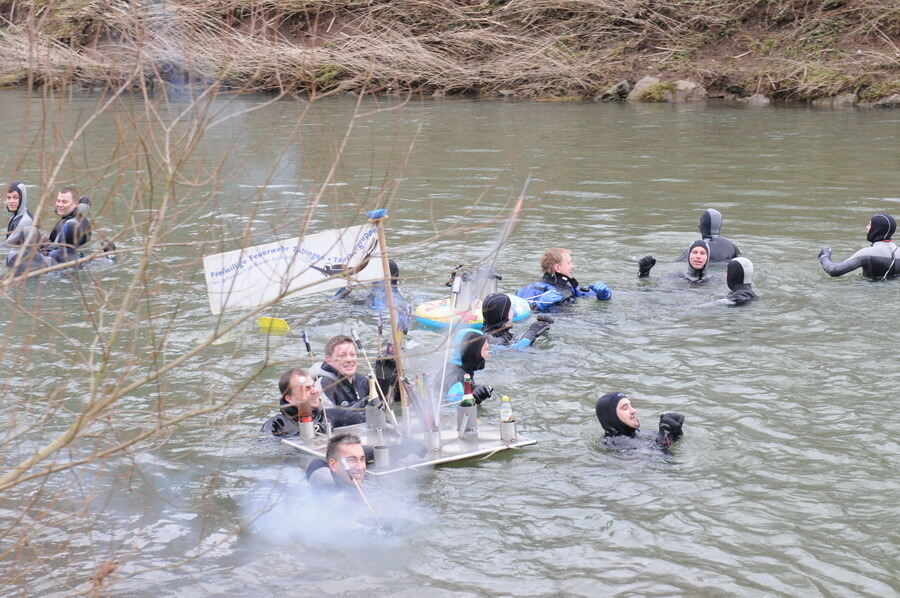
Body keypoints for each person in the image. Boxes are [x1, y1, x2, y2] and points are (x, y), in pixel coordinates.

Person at [261, 367, 365, 437]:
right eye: (306, 389)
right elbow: (268, 448)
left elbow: (364, 417)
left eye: (313, 385)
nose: (315, 391)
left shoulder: (329, 415)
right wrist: (310, 431)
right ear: (290, 399)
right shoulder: (276, 424)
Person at [515, 247, 611, 311]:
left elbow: (588, 295)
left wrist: (603, 295)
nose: (573, 267)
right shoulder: (534, 289)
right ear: (557, 268)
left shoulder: (568, 286)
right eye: (569, 263)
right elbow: (517, 311)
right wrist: (538, 307)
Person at [334, 259, 413, 333]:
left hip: (378, 325)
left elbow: (336, 300)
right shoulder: (400, 299)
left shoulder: (377, 297)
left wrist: (346, 289)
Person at [818, 213, 900, 280]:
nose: (867, 227)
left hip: (869, 294)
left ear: (876, 229)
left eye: (870, 224)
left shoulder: (866, 253)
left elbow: (834, 271)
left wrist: (824, 256)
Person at [595, 392, 684, 451]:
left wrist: (674, 432)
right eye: (625, 408)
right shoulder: (616, 444)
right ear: (612, 417)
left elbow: (664, 445)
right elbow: (660, 466)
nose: (633, 410)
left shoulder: (638, 433)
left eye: (631, 405)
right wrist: (661, 442)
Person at [308, 335, 370, 408]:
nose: (349, 360)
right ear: (328, 360)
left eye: (352, 355)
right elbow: (328, 417)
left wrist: (384, 380)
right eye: (342, 356)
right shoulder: (324, 385)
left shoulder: (362, 380)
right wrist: (362, 404)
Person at [481, 292, 552, 350]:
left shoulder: (501, 334)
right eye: (510, 309)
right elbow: (511, 352)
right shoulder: (489, 339)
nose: (513, 311)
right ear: (503, 314)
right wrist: (531, 333)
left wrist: (537, 327)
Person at [440, 328, 492, 405]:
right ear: (473, 351)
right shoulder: (458, 380)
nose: (488, 355)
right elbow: (453, 409)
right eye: (486, 349)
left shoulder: (449, 368)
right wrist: (474, 400)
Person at [45, 187, 91, 264]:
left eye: (64, 202)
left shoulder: (72, 225)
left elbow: (64, 250)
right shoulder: (74, 217)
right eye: (58, 201)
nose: (60, 205)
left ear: (75, 204)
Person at [638, 239, 711, 283]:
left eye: (702, 253)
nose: (698, 256)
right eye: (695, 252)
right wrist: (644, 274)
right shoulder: (676, 277)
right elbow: (651, 288)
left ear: (707, 258)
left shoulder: (715, 282)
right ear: (688, 256)